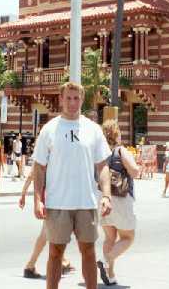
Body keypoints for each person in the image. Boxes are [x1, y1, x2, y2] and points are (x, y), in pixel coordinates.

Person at [32, 81, 112, 289]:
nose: (72, 102)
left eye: (76, 98)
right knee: (55, 252)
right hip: (57, 203)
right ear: (61, 99)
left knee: (88, 251)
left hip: (86, 201)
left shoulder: (93, 129)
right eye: (68, 98)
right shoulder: (49, 130)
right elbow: (39, 167)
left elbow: (102, 165)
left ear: (82, 100)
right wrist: (38, 200)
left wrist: (106, 195)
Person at [97, 119, 139, 286]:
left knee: (109, 238)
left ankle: (110, 274)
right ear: (116, 133)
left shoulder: (99, 153)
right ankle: (105, 260)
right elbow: (134, 171)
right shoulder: (120, 151)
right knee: (128, 237)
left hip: (102, 197)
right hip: (120, 198)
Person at [19, 164, 73, 279]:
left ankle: (61, 262)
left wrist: (23, 194)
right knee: (51, 234)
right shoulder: (52, 156)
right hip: (53, 200)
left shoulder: (44, 155)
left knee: (47, 234)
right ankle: (31, 265)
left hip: (51, 199)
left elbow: (30, 176)